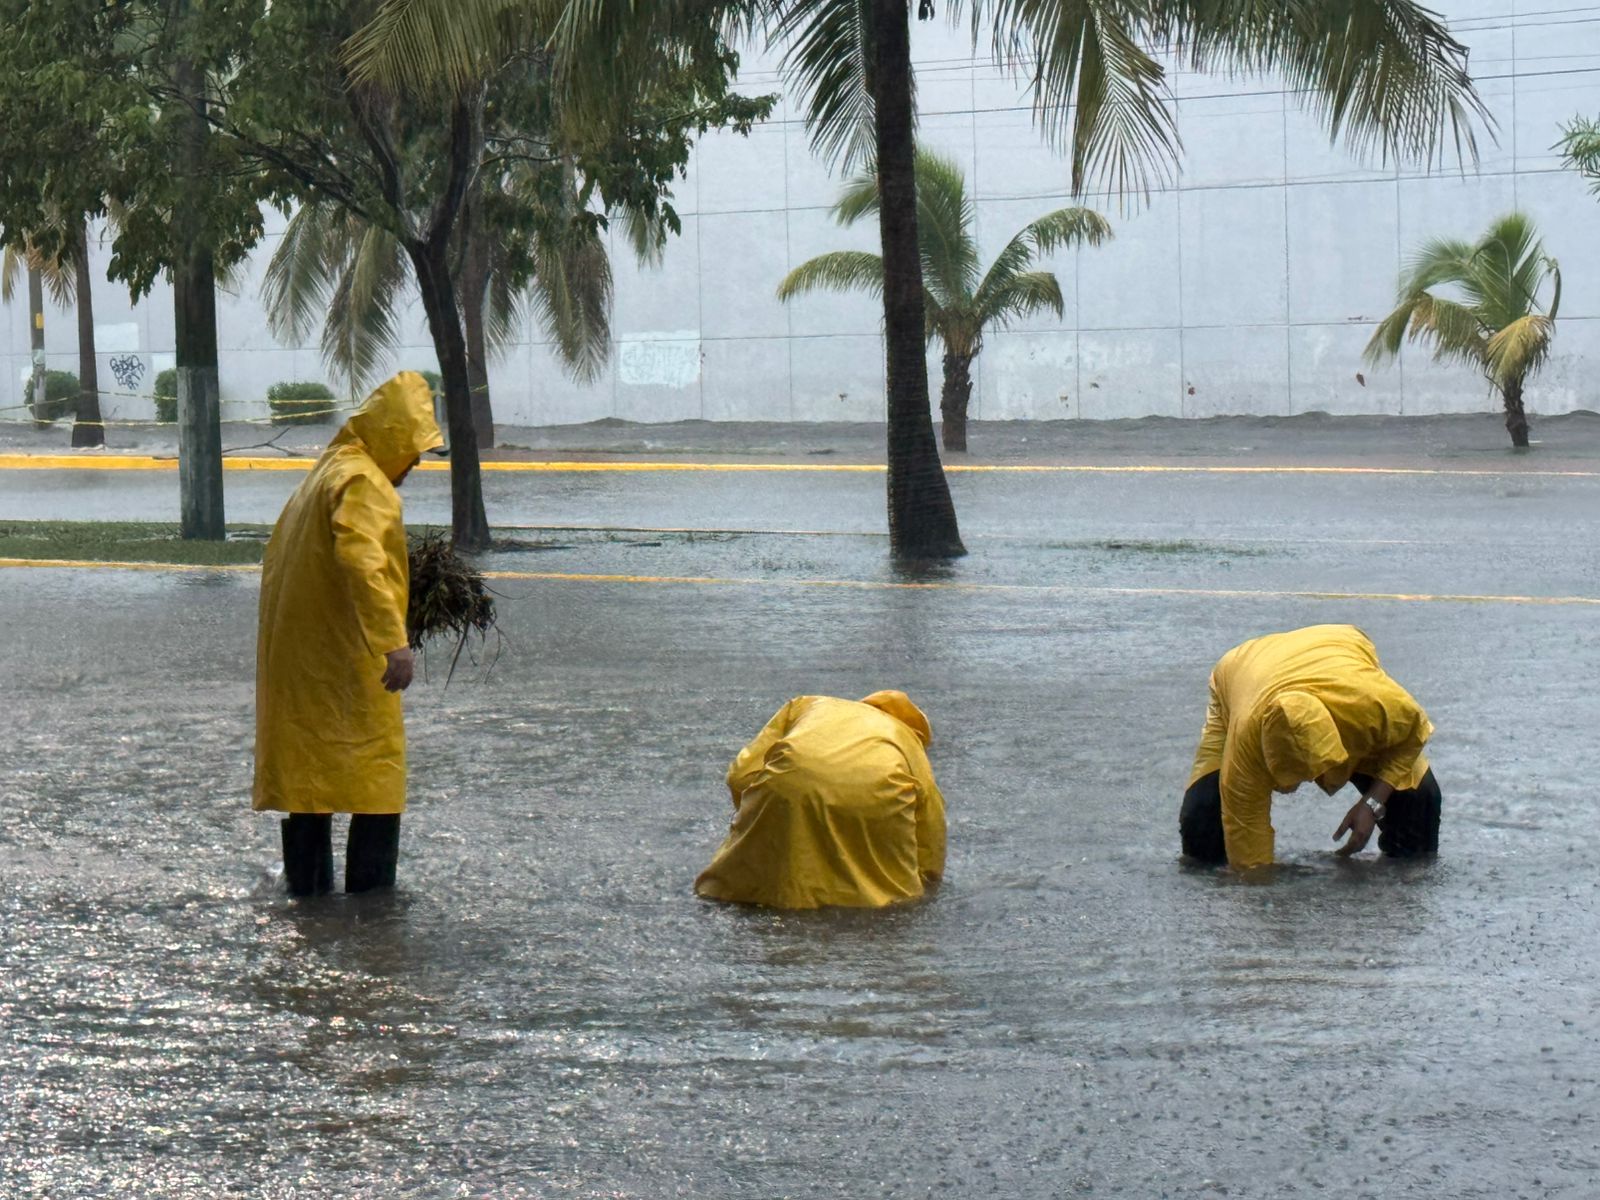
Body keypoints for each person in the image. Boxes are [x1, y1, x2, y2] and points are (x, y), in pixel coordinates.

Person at [253, 371, 443, 896]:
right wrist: (393, 641)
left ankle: (307, 900)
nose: (417, 462)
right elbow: (361, 560)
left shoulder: (328, 470)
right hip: (345, 659)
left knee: (309, 783)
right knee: (376, 780)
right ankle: (372, 907)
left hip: (304, 662)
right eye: (414, 449)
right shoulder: (363, 481)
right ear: (392, 440)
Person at [1180, 624, 1440, 870]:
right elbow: (1246, 840)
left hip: (1340, 645)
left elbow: (1414, 735)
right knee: (1203, 826)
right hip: (1240, 669)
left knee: (1419, 800)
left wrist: (1372, 804)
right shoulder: (1245, 746)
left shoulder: (1376, 706)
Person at [694, 691, 947, 910]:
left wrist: (755, 818)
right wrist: (928, 879)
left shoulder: (809, 705)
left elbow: (740, 776)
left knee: (748, 885)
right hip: (878, 793)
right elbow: (930, 820)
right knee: (888, 895)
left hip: (788, 781)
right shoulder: (907, 739)